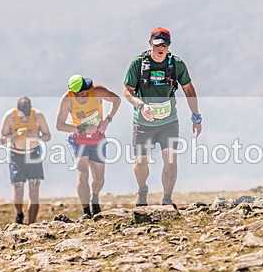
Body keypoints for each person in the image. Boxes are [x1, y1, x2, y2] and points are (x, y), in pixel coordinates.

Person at [123, 27, 202, 206]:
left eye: (164, 45)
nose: (161, 48)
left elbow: (189, 90)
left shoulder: (176, 64)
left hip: (169, 122)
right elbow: (127, 91)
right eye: (157, 44)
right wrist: (140, 105)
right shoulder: (138, 64)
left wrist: (196, 116)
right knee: (141, 161)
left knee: (170, 158)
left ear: (169, 46)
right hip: (143, 122)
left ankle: (167, 199)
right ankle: (142, 189)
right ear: (150, 43)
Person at [55, 75, 121, 218]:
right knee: (82, 173)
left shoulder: (96, 91)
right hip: (78, 141)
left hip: (98, 140)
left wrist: (107, 120)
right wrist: (81, 129)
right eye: (82, 92)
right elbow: (59, 125)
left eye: (86, 89)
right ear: (74, 92)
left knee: (98, 178)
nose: (85, 92)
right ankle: (86, 211)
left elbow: (117, 100)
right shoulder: (67, 100)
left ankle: (94, 197)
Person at [0, 97, 51, 224]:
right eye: (22, 117)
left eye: (27, 117)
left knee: (34, 187)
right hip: (16, 154)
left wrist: (37, 138)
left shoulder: (38, 116)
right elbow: (2, 139)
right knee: (18, 187)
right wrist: (16, 135)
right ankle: (19, 213)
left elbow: (48, 136)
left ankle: (32, 222)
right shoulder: (9, 116)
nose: (25, 120)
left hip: (33, 154)